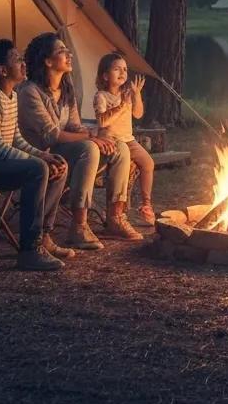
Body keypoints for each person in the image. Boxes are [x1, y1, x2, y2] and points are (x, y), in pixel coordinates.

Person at [0, 39, 72, 272]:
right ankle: (29, 250)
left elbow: (16, 139)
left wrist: (44, 156)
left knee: (57, 164)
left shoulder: (12, 96)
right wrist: (38, 161)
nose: (24, 63)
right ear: (2, 70)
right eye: (17, 59)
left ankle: (43, 236)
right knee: (37, 169)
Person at [17, 32, 142, 247]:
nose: (69, 55)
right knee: (89, 148)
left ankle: (115, 217)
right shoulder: (30, 92)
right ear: (47, 61)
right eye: (62, 52)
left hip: (63, 150)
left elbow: (74, 126)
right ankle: (79, 226)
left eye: (67, 50)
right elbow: (51, 135)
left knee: (120, 146)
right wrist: (91, 137)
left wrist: (97, 134)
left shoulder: (66, 89)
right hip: (40, 153)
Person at [93, 51, 155, 225]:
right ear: (105, 75)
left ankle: (146, 204)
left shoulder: (126, 94)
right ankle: (118, 210)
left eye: (125, 70)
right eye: (117, 69)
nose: (122, 73)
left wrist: (136, 95)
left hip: (129, 140)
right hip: (112, 141)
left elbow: (138, 113)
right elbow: (103, 121)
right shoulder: (101, 96)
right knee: (124, 169)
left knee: (148, 163)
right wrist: (122, 106)